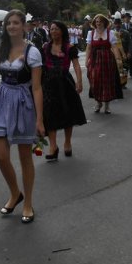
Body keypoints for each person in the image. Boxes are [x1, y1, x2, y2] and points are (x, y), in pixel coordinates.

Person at [0, 9, 44, 224]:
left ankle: (27, 202)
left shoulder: (32, 52)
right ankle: (14, 193)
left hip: (23, 102)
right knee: (1, 156)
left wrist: (40, 119)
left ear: (24, 26)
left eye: (15, 23)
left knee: (25, 156)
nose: (11, 26)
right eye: (8, 23)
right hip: (1, 100)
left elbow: (37, 87)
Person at [41, 21, 86, 160]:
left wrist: (79, 81)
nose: (53, 31)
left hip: (65, 83)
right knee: (49, 114)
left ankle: (67, 142)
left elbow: (76, 66)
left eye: (56, 29)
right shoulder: (45, 47)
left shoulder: (69, 47)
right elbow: (40, 66)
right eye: (51, 29)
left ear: (62, 31)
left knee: (68, 113)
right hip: (48, 84)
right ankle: (53, 146)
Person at [85, 14, 123, 114]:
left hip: (107, 59)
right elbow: (88, 48)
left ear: (105, 22)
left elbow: (114, 47)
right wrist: (86, 60)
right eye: (97, 21)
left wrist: (118, 58)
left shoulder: (110, 33)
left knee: (107, 82)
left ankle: (107, 105)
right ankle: (98, 103)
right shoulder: (91, 33)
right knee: (94, 81)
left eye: (100, 21)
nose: (98, 23)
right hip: (94, 59)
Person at [122, 13, 132, 78]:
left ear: (130, 18)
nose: (127, 18)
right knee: (124, 59)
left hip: (131, 45)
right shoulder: (122, 26)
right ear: (124, 18)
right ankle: (125, 73)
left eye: (128, 17)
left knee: (131, 59)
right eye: (126, 17)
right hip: (123, 45)